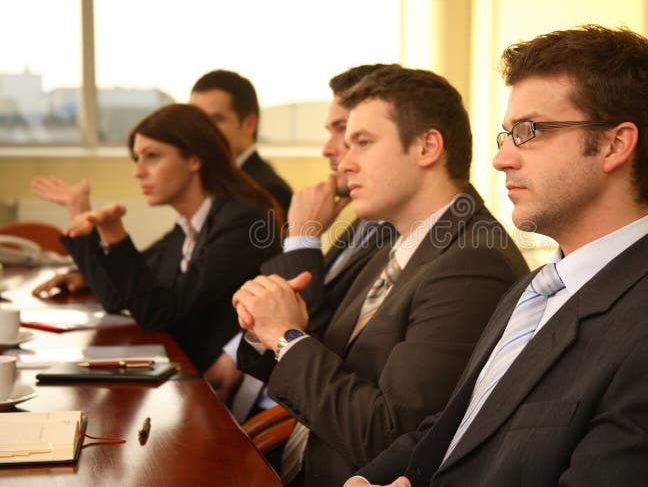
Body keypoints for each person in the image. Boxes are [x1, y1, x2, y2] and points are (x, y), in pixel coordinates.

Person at [345, 25, 648, 487]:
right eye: (506, 135)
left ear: (615, 145)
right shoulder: (530, 291)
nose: (501, 159)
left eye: (528, 131)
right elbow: (457, 428)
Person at [232, 65, 529, 486]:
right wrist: (268, 324)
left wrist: (287, 338)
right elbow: (332, 358)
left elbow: (388, 437)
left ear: (427, 147)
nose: (344, 164)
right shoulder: (397, 239)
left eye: (363, 143)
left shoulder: (472, 265)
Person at [35, 104, 282, 372]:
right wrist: (80, 211)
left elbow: (158, 313)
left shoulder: (241, 221)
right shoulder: (187, 226)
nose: (138, 171)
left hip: (226, 382)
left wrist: (117, 238)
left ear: (194, 159)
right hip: (188, 370)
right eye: (137, 158)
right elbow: (119, 297)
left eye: (151, 156)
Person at [208, 64, 396, 415]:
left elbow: (321, 336)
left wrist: (302, 238)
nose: (328, 149)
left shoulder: (398, 231)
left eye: (351, 133)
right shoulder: (363, 221)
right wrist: (238, 347)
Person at [190, 69, 293, 212]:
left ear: (249, 124)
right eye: (197, 120)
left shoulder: (269, 190)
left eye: (215, 120)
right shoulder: (202, 183)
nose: (203, 129)